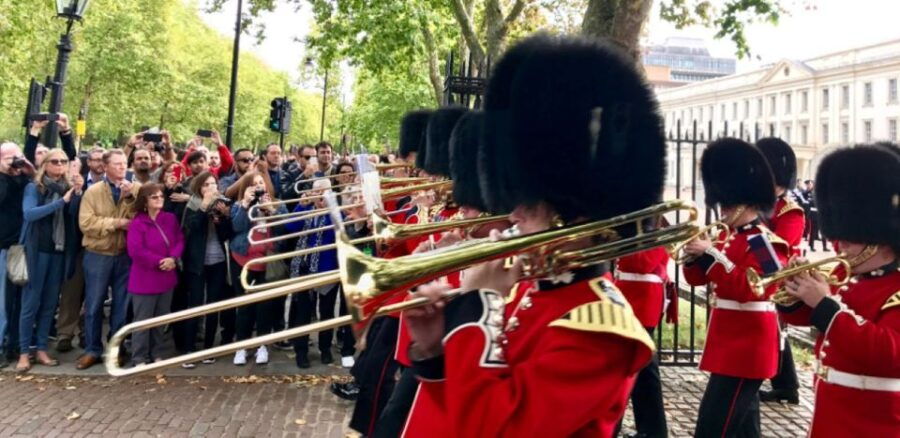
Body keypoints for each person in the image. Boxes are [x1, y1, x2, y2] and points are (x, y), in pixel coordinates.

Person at [400, 34, 664, 437]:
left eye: (529, 201)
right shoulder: (540, 292)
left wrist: (479, 304)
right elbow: (468, 407)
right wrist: (435, 350)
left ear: (573, 215)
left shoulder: (601, 331)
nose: (513, 213)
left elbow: (495, 429)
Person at [778, 143, 900, 437]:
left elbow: (889, 354)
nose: (838, 244)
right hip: (831, 415)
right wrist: (794, 292)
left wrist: (824, 305)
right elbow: (809, 319)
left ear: (880, 239)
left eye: (849, 238)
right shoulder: (847, 278)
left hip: (873, 422)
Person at [682, 138, 789, 437]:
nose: (723, 209)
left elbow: (757, 288)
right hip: (729, 345)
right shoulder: (727, 237)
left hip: (748, 349)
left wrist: (711, 255)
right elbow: (696, 280)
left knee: (713, 428)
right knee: (743, 430)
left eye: (727, 203)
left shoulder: (763, 242)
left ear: (747, 201)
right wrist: (693, 259)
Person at [16, 150, 82, 372]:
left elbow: (72, 216)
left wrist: (78, 193)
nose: (60, 165)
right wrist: (59, 203)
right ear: (45, 165)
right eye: (55, 161)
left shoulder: (67, 188)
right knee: (30, 303)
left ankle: (42, 348)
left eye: (64, 161)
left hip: (58, 251)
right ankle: (24, 352)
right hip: (36, 251)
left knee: (49, 304)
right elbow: (29, 214)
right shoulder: (34, 187)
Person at [77, 149, 139, 370]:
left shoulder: (136, 189)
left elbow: (142, 219)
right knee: (93, 305)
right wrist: (115, 224)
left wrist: (132, 197)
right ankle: (92, 349)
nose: (123, 167)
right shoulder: (93, 192)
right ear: (106, 167)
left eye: (125, 163)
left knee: (121, 306)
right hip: (98, 255)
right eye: (118, 164)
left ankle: (117, 349)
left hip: (124, 255)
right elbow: (86, 223)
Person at [756, 137, 806, 405]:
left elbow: (782, 249)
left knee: (777, 332)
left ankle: (787, 386)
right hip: (759, 277)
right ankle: (785, 385)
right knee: (773, 332)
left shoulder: (790, 211)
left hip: (780, 278)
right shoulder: (758, 205)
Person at [286, 178, 347, 368]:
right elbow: (289, 228)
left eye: (325, 191)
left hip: (327, 268)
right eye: (316, 191)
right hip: (304, 268)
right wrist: (301, 206)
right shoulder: (305, 209)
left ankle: (325, 348)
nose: (320, 195)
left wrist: (328, 207)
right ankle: (301, 351)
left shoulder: (337, 212)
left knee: (327, 313)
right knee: (303, 313)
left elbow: (341, 230)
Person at [614, 245, 671, 438]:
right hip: (627, 296)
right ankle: (652, 430)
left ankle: (651, 430)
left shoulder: (654, 234)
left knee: (633, 368)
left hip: (643, 301)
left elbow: (641, 263)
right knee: (643, 372)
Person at [126, 183, 184, 366]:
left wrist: (173, 258)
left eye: (161, 196)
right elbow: (135, 250)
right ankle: (139, 357)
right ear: (145, 200)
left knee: (161, 320)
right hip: (145, 279)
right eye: (154, 197)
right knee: (143, 321)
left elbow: (180, 239)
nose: (159, 199)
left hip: (166, 277)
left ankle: (157, 353)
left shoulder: (170, 218)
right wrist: (160, 261)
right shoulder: (137, 222)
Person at [180, 171, 234, 368]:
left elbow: (228, 233)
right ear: (198, 188)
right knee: (194, 305)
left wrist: (225, 217)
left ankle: (209, 348)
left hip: (218, 261)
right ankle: (189, 349)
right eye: (206, 185)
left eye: (213, 184)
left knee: (213, 304)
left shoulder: (221, 205)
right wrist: (204, 207)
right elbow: (191, 229)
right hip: (197, 263)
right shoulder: (193, 204)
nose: (210, 188)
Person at [228, 171, 281, 366]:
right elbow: (236, 227)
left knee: (264, 307)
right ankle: (241, 346)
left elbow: (284, 228)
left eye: (261, 183)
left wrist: (271, 210)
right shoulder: (237, 206)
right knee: (244, 306)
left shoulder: (276, 204)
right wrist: (245, 205)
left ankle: (262, 345)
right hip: (243, 260)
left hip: (266, 262)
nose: (259, 187)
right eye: (254, 184)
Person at [0, 142, 35, 368]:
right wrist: (4, 172)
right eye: (11, 158)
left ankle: (12, 343)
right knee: (2, 302)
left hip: (18, 248)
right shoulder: (3, 180)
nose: (16, 162)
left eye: (18, 157)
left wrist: (30, 173)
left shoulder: (22, 180)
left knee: (16, 299)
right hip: (2, 248)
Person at [55, 155, 87, 354]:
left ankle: (86, 333)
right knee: (70, 293)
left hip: (92, 247)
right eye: (70, 166)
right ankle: (65, 334)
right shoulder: (62, 189)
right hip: (70, 248)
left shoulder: (89, 188)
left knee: (93, 295)